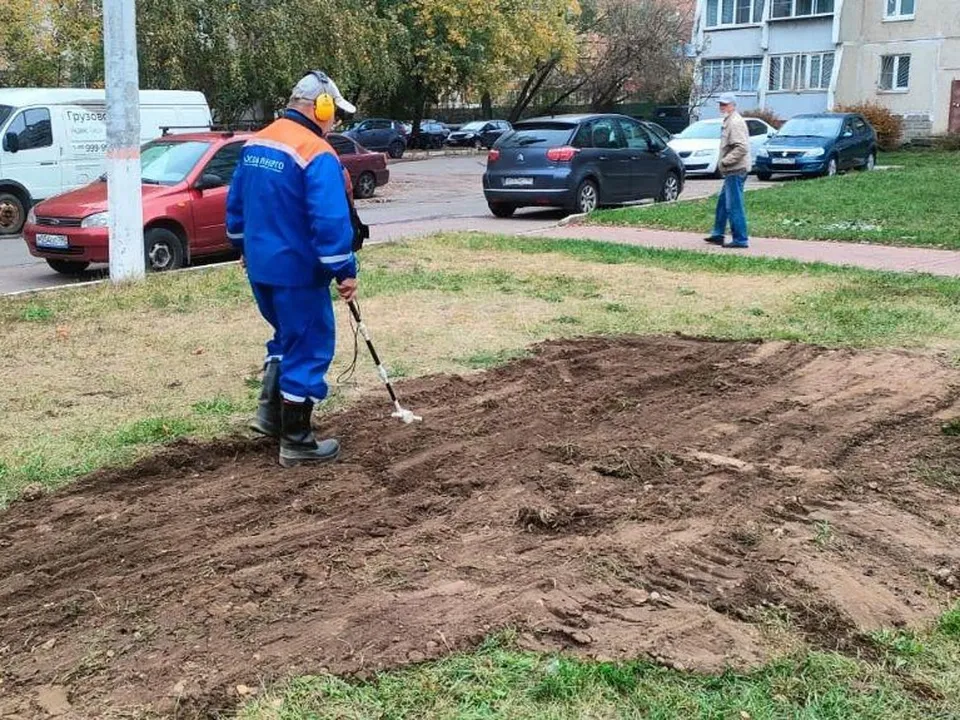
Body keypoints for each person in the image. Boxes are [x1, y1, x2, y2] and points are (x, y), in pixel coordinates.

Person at [226, 71, 360, 467]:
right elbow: (330, 221)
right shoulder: (316, 152)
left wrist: (242, 246)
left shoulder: (257, 142)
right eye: (334, 111)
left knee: (286, 337)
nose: (335, 120)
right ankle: (297, 441)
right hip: (298, 272)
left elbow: (235, 206)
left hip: (261, 269)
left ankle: (270, 417)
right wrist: (344, 269)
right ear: (321, 107)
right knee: (310, 345)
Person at [704, 93, 750, 249]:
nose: (721, 107)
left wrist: (725, 161)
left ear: (733, 105)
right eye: (720, 104)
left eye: (725, 104)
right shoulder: (729, 120)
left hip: (735, 170)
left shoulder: (735, 122)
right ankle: (718, 234)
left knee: (733, 205)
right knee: (723, 203)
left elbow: (742, 147)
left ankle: (740, 239)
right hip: (732, 170)